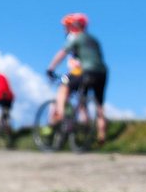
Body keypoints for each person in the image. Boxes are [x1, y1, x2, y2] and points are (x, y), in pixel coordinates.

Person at [45, 13, 109, 145]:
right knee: (98, 105)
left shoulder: (76, 37)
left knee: (63, 88)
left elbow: (62, 53)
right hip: (102, 72)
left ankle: (60, 116)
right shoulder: (94, 39)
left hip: (86, 71)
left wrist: (50, 68)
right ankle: (100, 134)